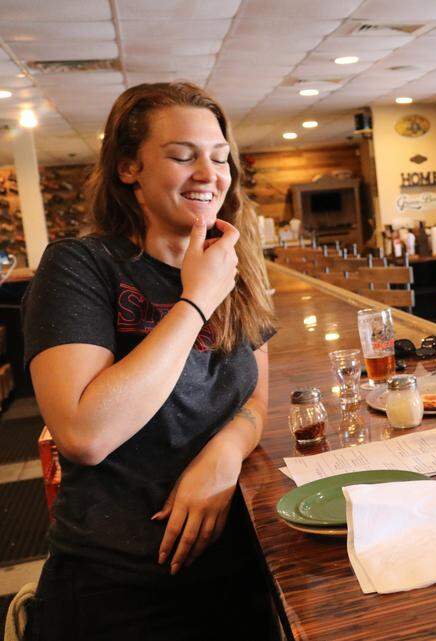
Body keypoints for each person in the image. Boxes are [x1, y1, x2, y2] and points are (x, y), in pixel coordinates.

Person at [22, 82, 277, 639]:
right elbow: (86, 433)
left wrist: (225, 453)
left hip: (243, 567)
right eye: (183, 156)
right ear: (128, 168)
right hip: (121, 584)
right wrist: (195, 300)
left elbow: (255, 393)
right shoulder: (80, 267)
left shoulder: (236, 263)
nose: (208, 173)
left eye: (219, 156)